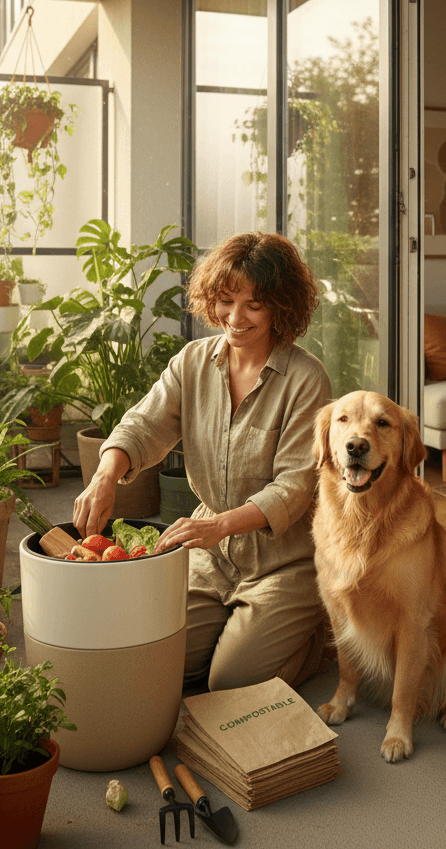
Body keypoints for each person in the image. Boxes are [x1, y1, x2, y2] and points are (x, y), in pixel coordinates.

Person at [72, 231, 332, 691]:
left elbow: (294, 487)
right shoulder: (192, 363)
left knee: (230, 681)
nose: (235, 317)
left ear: (281, 306)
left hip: (283, 560)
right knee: (159, 659)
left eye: (254, 304)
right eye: (227, 300)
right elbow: (143, 425)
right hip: (210, 552)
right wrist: (105, 475)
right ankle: (240, 633)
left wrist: (220, 525)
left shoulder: (306, 379)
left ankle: (315, 638)